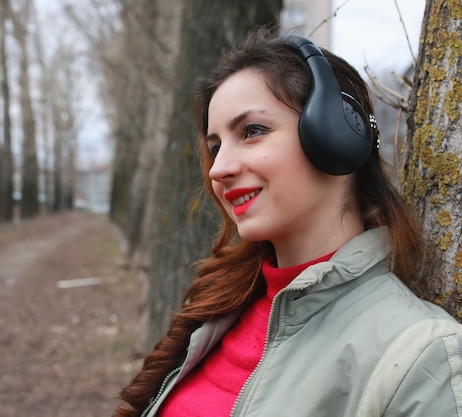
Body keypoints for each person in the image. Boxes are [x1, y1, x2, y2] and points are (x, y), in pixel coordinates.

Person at [114, 29, 462, 417]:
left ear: (339, 136)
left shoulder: (421, 358)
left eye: (252, 131)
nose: (220, 169)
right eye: (215, 148)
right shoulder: (221, 311)